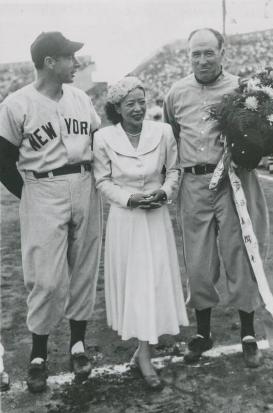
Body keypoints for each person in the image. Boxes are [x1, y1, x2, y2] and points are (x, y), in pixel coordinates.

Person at [0, 32, 102, 393]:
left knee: (84, 267)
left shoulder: (79, 98)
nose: (75, 63)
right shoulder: (16, 104)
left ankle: (77, 344)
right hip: (42, 187)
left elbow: (98, 141)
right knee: (45, 277)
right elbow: (3, 159)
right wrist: (28, 194)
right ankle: (38, 354)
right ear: (49, 62)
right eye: (69, 58)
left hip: (84, 182)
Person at [164, 28, 269, 367]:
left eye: (209, 52)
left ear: (223, 51)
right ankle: (203, 333)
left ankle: (248, 332)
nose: (202, 59)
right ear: (188, 55)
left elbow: (259, 137)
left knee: (239, 252)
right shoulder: (176, 92)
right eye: (196, 53)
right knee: (197, 260)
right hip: (194, 183)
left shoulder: (241, 89)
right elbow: (172, 134)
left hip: (233, 181)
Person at [93, 76, 188, 390]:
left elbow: (174, 170)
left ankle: (144, 353)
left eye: (140, 101)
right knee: (135, 283)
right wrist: (128, 198)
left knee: (155, 281)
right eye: (129, 104)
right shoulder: (105, 137)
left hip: (156, 219)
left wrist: (164, 192)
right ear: (117, 108)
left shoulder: (163, 132)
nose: (137, 109)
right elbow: (102, 180)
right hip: (126, 221)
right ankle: (143, 354)